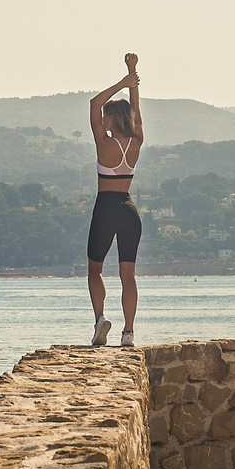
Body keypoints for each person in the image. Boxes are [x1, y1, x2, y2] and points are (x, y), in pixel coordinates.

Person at [86, 54, 145, 347]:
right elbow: (136, 111)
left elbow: (94, 104)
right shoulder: (136, 141)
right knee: (128, 275)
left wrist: (122, 82)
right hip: (129, 209)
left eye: (107, 116)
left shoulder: (104, 143)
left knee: (95, 269)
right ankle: (129, 333)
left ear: (112, 118)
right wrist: (132, 75)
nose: (103, 119)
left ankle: (99, 321)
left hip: (106, 207)